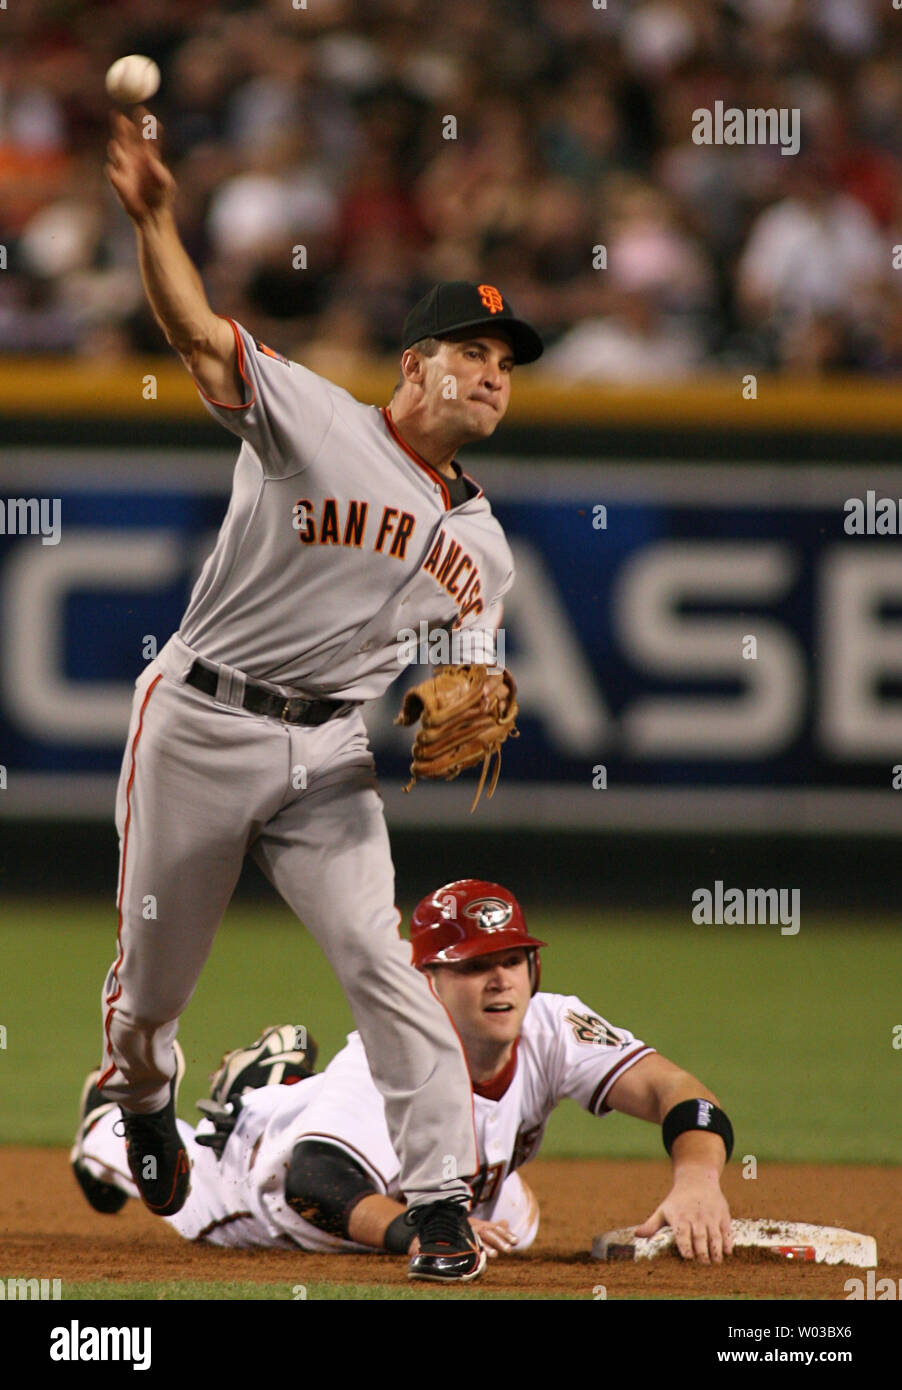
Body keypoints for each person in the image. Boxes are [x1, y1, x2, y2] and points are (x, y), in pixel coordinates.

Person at [96, 106, 543, 1283]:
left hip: (328, 754)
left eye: (505, 364)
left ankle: (440, 1200)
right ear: (415, 364)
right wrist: (152, 215)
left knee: (381, 958)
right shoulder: (314, 420)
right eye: (474, 354)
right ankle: (140, 1098)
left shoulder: (482, 544)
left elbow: (470, 671)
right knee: (152, 988)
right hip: (196, 719)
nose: (492, 376)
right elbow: (194, 332)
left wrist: (474, 690)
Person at [73, 880, 735, 1268]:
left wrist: (698, 1179)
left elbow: (672, 1090)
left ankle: (277, 1087)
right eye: (474, 965)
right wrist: (421, 1234)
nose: (501, 978)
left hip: (425, 1174)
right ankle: (129, 1117)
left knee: (516, 1220)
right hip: (266, 1189)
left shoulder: (552, 1024)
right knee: (174, 1178)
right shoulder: (387, 1060)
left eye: (513, 958)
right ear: (427, 982)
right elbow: (315, 1182)